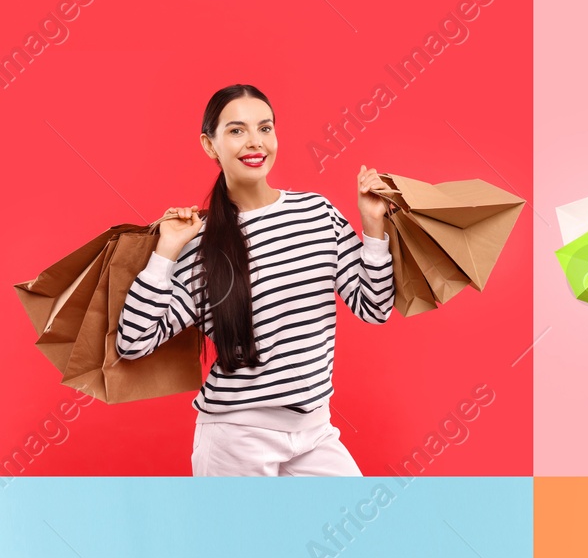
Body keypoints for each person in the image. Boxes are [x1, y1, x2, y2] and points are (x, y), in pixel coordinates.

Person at [115, 84, 396, 476]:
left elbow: (375, 307)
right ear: (209, 145)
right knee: (242, 541)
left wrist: (372, 224)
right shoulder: (199, 242)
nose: (255, 142)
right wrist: (165, 253)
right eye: (236, 130)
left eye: (265, 128)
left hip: (314, 431)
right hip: (235, 440)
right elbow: (132, 343)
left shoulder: (316, 213)